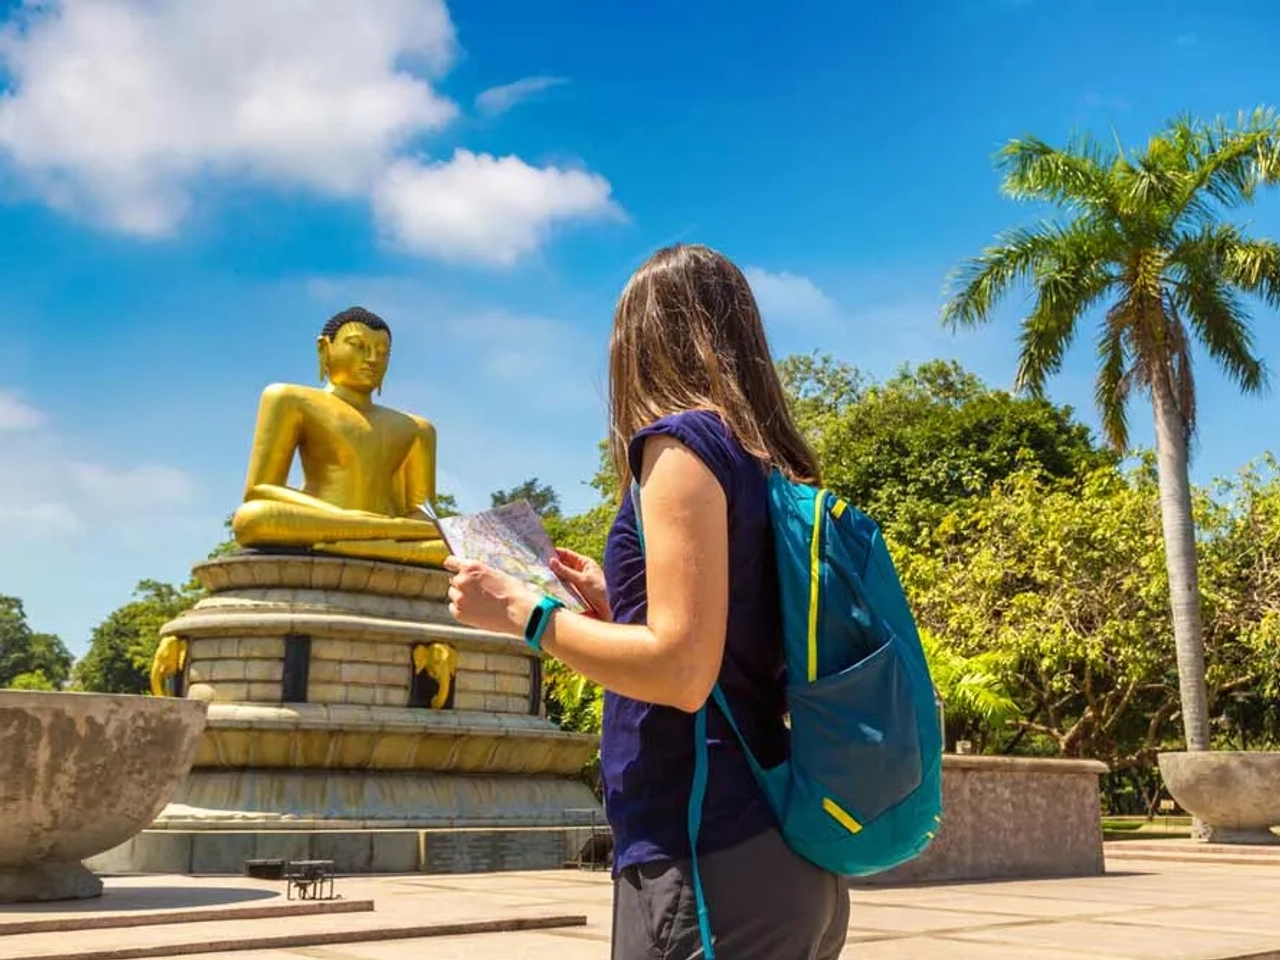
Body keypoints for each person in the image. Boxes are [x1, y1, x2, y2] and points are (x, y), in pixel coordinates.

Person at [444, 243, 850, 959]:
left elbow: (681, 673)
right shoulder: (758, 458)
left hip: (706, 855)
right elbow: (722, 640)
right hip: (769, 846)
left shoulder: (678, 447)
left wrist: (525, 612)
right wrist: (615, 601)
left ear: (639, 341)